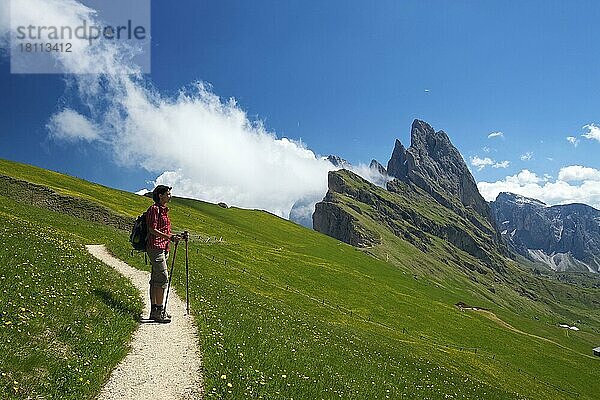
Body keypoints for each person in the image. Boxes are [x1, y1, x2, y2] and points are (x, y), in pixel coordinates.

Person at [146, 185, 180, 323]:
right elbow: (152, 229)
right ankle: (159, 311)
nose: (170, 196)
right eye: (168, 193)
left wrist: (173, 237)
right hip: (155, 247)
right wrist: (169, 237)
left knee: (155, 279)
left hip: (163, 248)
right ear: (160, 195)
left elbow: (163, 230)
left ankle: (154, 311)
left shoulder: (164, 211)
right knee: (162, 278)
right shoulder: (154, 209)